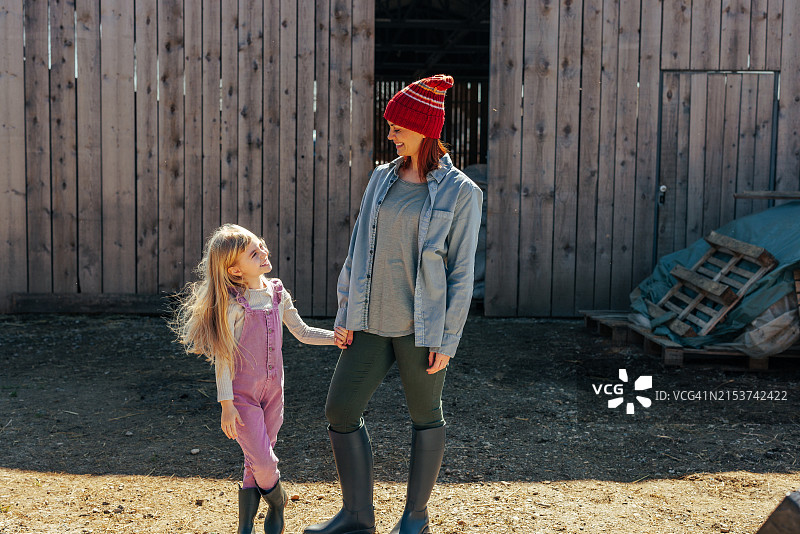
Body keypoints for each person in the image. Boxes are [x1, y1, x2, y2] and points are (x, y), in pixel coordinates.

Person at [304, 75, 483, 534]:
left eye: (397, 127)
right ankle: (358, 517)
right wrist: (344, 314)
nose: (390, 135)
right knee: (340, 412)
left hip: (421, 330)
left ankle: (415, 518)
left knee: (425, 416)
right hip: (368, 321)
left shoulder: (462, 193)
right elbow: (357, 248)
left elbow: (462, 274)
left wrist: (449, 339)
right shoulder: (381, 179)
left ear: (423, 128)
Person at [173, 223, 343, 534]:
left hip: (274, 393)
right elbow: (223, 357)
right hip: (242, 397)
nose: (263, 252)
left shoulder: (277, 292)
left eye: (260, 245)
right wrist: (226, 403)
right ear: (236, 271)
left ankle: (244, 527)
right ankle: (278, 501)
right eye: (254, 253)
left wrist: (336, 338)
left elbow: (302, 332)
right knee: (263, 461)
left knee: (254, 457)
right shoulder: (234, 305)